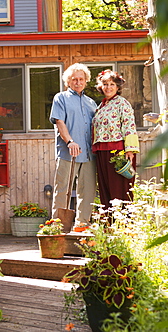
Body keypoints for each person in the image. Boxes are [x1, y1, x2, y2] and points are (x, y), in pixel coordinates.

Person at [49, 63, 97, 228]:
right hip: (67, 153)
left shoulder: (92, 103)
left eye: (81, 79)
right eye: (74, 79)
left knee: (88, 192)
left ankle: (81, 226)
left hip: (89, 154)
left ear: (86, 81)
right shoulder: (60, 98)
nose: (78, 82)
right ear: (68, 81)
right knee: (62, 191)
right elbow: (59, 122)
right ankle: (58, 228)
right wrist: (70, 141)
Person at [92, 69, 139, 214]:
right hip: (102, 152)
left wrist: (130, 150)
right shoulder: (101, 106)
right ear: (101, 86)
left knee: (119, 188)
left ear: (118, 87)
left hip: (118, 152)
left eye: (112, 84)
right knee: (105, 188)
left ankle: (124, 225)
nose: (108, 87)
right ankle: (109, 225)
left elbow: (129, 126)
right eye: (105, 84)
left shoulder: (122, 103)